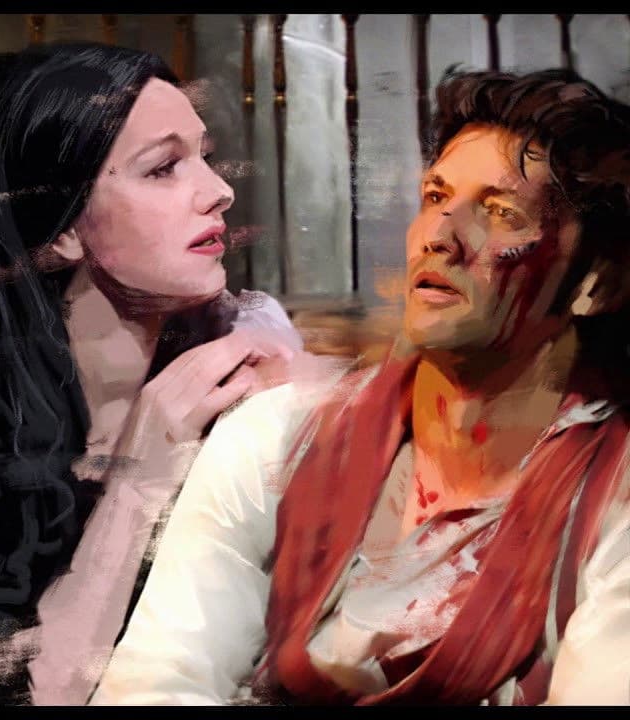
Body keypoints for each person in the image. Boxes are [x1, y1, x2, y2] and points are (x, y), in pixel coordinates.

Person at [93, 68, 630, 706]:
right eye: (435, 196)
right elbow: (157, 683)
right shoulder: (275, 438)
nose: (439, 236)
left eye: (500, 213)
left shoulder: (614, 491)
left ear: (596, 282)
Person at [0, 42, 310, 706]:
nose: (219, 192)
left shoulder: (249, 342)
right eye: (164, 168)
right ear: (62, 229)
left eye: (205, 158)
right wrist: (139, 478)